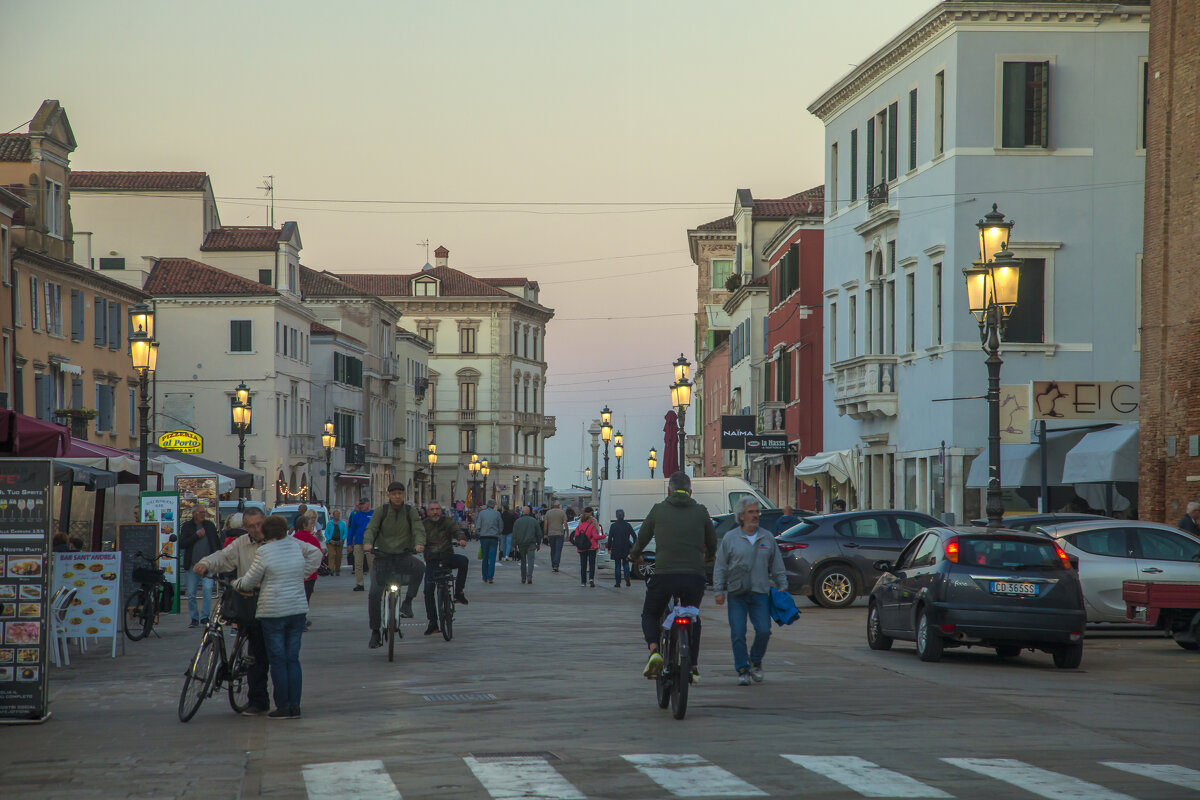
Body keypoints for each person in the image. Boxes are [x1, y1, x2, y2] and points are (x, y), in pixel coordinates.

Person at [630, 471, 717, 681]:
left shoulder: (658, 510)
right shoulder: (701, 511)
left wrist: (634, 555)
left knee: (650, 614)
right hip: (694, 577)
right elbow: (712, 542)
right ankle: (693, 667)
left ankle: (654, 651)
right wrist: (709, 557)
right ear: (690, 491)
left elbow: (642, 538)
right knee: (692, 615)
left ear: (669, 490)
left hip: (664, 576)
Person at [234, 514, 321, 719]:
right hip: (297, 609)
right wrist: (302, 573)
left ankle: (282, 706)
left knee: (278, 659)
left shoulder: (264, 552)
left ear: (265, 532)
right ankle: (294, 705)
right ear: (285, 531)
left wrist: (236, 584)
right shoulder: (295, 545)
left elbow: (249, 581)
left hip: (273, 611)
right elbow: (316, 554)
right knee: (293, 658)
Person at [194, 507, 271, 715]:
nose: (256, 529)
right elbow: (223, 556)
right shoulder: (242, 543)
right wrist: (204, 563)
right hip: (247, 601)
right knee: (253, 650)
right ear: (245, 527)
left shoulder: (275, 541)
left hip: (270, 604)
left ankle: (261, 700)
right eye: (252, 526)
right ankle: (257, 699)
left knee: (260, 655)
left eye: (259, 524)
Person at [713, 497, 788, 685]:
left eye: (757, 512)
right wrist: (718, 590)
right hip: (737, 593)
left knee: (764, 631)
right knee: (738, 632)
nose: (756, 516)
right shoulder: (731, 538)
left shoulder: (767, 537)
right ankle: (742, 669)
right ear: (741, 516)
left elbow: (777, 563)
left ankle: (755, 661)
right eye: (751, 512)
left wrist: (782, 584)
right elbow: (720, 566)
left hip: (760, 592)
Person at [363, 482, 426, 648]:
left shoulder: (409, 511)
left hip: (402, 556)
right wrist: (368, 543)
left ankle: (408, 602)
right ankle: (375, 631)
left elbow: (418, 529)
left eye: (400, 493)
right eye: (394, 493)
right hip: (382, 557)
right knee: (375, 593)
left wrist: (419, 544)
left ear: (404, 494)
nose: (397, 496)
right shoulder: (381, 511)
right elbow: (371, 529)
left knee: (420, 567)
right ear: (388, 495)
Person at [421, 500, 469, 636]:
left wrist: (461, 539)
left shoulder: (446, 521)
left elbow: (456, 530)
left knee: (463, 561)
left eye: (437, 509)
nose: (435, 512)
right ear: (427, 511)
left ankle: (458, 593)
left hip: (447, 557)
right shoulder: (423, 525)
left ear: (441, 511)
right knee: (428, 591)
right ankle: (433, 622)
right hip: (432, 560)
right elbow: (417, 537)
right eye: (432, 509)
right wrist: (417, 545)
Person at [180, 506, 221, 628]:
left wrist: (217, 558)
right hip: (193, 565)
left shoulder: (209, 526)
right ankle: (194, 618)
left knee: (207, 590)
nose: (203, 514)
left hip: (208, 565)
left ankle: (205, 617)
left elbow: (216, 543)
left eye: (204, 512)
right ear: (194, 514)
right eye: (200, 512)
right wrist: (196, 536)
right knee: (191, 593)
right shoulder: (187, 526)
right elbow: (182, 543)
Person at [346, 497, 374, 592]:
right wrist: (349, 543)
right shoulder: (356, 515)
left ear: (368, 504)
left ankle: (374, 584)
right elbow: (351, 529)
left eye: (363, 504)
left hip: (370, 543)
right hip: (358, 542)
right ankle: (359, 583)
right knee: (358, 564)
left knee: (372, 564)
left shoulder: (373, 514)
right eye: (360, 504)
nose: (361, 506)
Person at [475, 499, 503, 583]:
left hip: (484, 538)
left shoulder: (482, 513)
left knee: (485, 558)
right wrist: (498, 533)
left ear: (487, 505)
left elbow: (478, 526)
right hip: (493, 538)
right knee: (492, 558)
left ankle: (484, 577)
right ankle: (490, 577)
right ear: (494, 505)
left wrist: (480, 533)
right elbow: (501, 526)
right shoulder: (497, 514)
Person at [512, 506, 542, 584]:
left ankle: (523, 577)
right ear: (529, 512)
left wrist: (514, 545)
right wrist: (538, 543)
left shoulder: (517, 521)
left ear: (522, 512)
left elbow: (514, 534)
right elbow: (538, 533)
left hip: (521, 544)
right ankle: (529, 577)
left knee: (523, 561)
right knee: (531, 561)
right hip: (531, 543)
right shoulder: (534, 521)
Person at [606, 509, 636, 588]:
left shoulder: (613, 525)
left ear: (616, 516)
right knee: (626, 564)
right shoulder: (627, 525)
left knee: (617, 565)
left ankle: (618, 582)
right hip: (626, 547)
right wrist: (634, 546)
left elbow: (610, 538)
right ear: (624, 515)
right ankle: (627, 577)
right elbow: (634, 536)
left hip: (616, 547)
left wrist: (609, 548)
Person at [574, 508, 602, 587]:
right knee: (592, 563)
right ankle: (591, 578)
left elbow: (577, 536)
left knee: (583, 565)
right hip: (592, 545)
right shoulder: (594, 521)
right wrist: (604, 536)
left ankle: (583, 582)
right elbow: (596, 533)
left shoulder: (580, 525)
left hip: (582, 546)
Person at [543, 502, 568, 572]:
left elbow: (545, 524)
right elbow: (565, 523)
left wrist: (545, 533)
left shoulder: (548, 513)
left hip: (551, 534)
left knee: (553, 549)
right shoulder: (562, 512)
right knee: (558, 550)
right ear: (559, 506)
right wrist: (567, 533)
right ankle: (556, 565)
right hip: (560, 533)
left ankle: (553, 564)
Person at [325, 510, 347, 577]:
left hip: (339, 541)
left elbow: (345, 532)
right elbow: (327, 532)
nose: (337, 515)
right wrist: (329, 539)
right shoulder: (330, 523)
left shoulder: (342, 523)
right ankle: (331, 569)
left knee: (338, 556)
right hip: (331, 541)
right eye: (336, 514)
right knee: (331, 555)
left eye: (338, 514)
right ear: (333, 515)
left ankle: (337, 569)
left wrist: (342, 539)